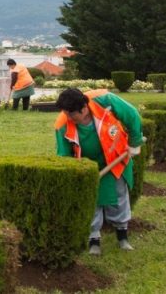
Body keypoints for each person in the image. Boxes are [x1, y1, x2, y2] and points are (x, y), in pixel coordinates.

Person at [54, 87, 143, 255]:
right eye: (65, 113)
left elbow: (131, 115)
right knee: (91, 199)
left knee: (118, 195)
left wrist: (135, 142)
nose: (68, 117)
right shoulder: (62, 124)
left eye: (72, 114)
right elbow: (64, 154)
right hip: (88, 165)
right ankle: (93, 239)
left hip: (115, 158)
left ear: (84, 108)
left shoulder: (105, 100)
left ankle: (122, 236)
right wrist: (75, 173)